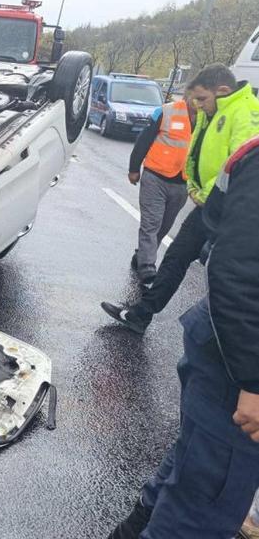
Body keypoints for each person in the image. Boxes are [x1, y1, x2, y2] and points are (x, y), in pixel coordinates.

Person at [108, 135, 259, 539]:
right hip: (237, 366)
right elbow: (238, 272)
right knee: (202, 510)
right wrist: (253, 382)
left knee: (188, 475)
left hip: (228, 354)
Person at [101, 63, 259, 334]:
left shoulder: (246, 114)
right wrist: (194, 186)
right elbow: (198, 153)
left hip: (231, 211)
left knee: (222, 273)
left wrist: (207, 195)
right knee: (176, 257)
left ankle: (227, 340)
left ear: (221, 90)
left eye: (201, 98)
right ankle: (141, 315)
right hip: (209, 205)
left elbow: (239, 167)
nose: (196, 105)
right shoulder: (217, 109)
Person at [126, 97, 196, 285]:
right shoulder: (166, 111)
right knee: (152, 223)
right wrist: (134, 168)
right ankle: (147, 267)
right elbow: (144, 140)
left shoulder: (209, 119)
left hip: (182, 183)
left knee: (164, 226)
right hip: (155, 178)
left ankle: (141, 256)